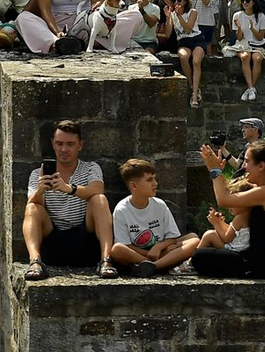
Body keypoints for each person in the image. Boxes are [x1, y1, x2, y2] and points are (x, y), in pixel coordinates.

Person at [194, 140, 265, 278]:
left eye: (247, 161)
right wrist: (219, 173)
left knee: (200, 256)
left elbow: (225, 200)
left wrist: (214, 170)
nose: (243, 166)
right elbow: (233, 193)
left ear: (261, 166)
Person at [23, 119, 115, 280]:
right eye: (59, 143)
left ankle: (106, 260)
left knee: (99, 199)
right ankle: (35, 262)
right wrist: (40, 191)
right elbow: (32, 204)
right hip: (53, 240)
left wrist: (68, 188)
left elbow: (97, 190)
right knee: (32, 208)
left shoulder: (90, 168)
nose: (64, 149)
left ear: (80, 145)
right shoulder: (38, 173)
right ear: (53, 144)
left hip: (85, 238)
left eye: (70, 144)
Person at [109, 160, 200, 275]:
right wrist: (148, 254)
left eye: (155, 179)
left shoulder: (160, 205)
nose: (155, 183)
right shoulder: (122, 210)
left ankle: (154, 266)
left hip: (161, 251)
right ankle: (154, 263)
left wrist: (159, 247)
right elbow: (126, 245)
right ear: (134, 185)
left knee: (194, 239)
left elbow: (172, 237)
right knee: (117, 249)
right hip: (138, 255)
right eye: (149, 180)